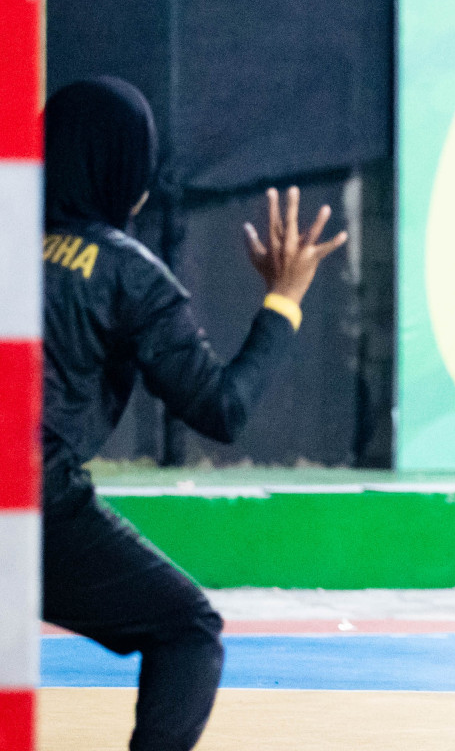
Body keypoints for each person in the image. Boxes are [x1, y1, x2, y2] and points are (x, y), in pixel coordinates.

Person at [40, 77, 347, 751]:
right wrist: (284, 300)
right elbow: (221, 409)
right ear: (127, 170)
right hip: (33, 501)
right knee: (186, 629)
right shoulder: (126, 271)